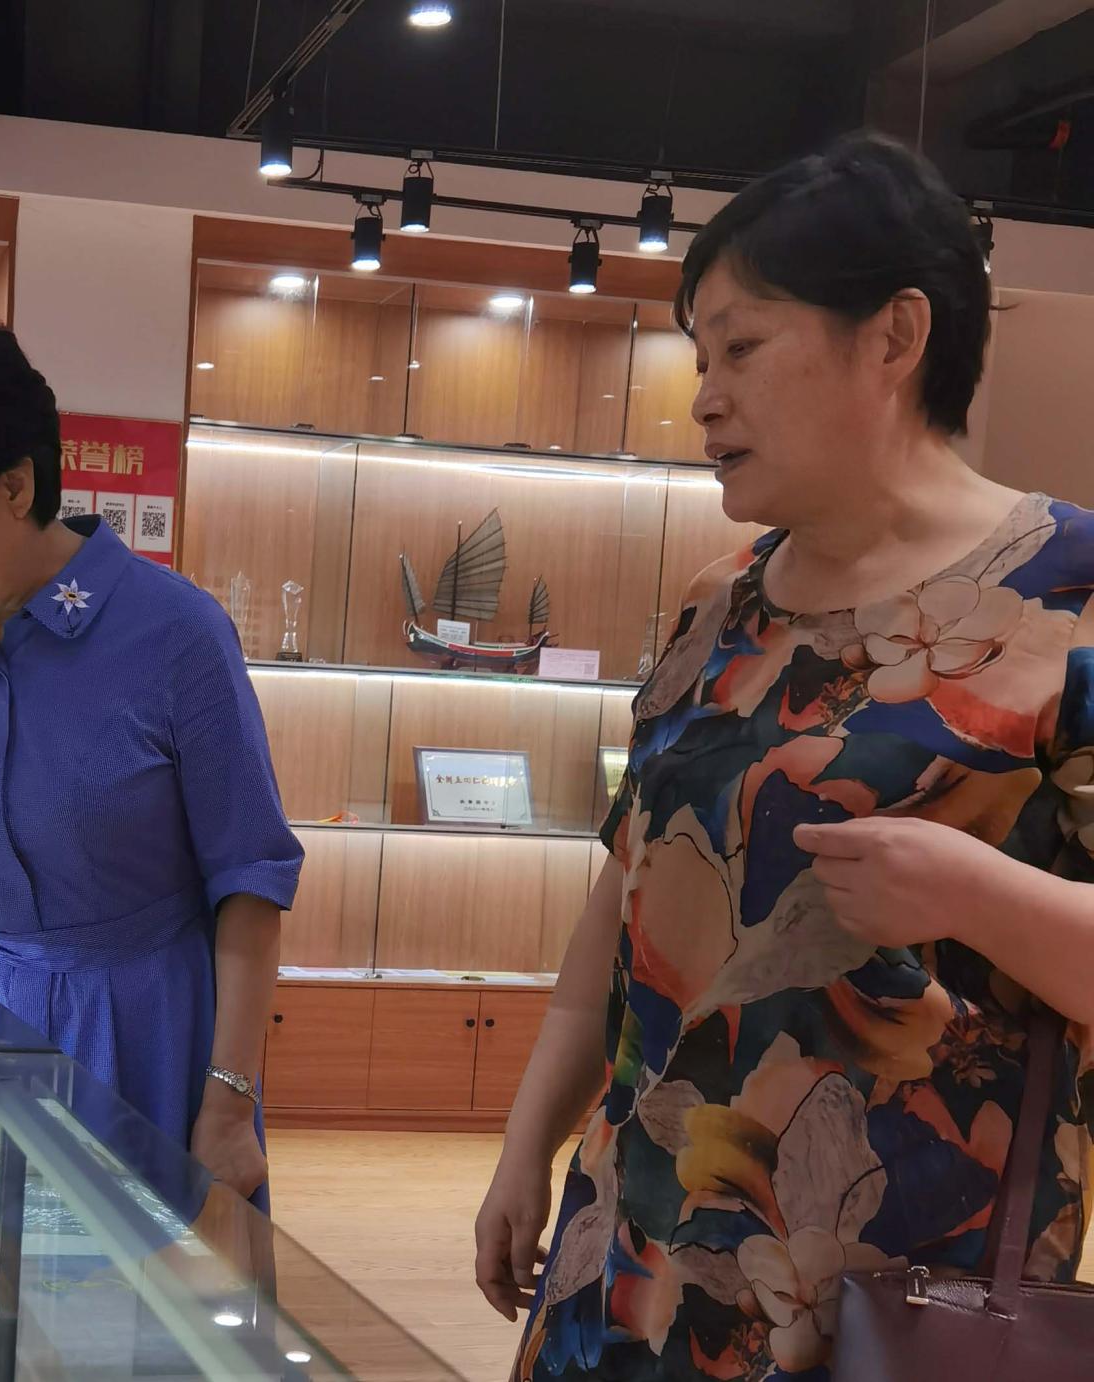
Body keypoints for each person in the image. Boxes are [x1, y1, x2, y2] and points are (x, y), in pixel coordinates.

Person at [480, 131, 1094, 1381]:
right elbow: (624, 895)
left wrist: (971, 889)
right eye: (699, 358)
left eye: (742, 346)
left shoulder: (1067, 601)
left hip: (893, 1300)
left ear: (894, 335)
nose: (704, 396)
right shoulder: (717, 603)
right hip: (630, 1248)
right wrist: (524, 1142)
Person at [0, 320, 302, 1203]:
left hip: (144, 1034)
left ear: (15, 485)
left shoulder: (177, 634)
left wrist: (229, 1104)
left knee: (133, 1281)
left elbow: (249, 881)